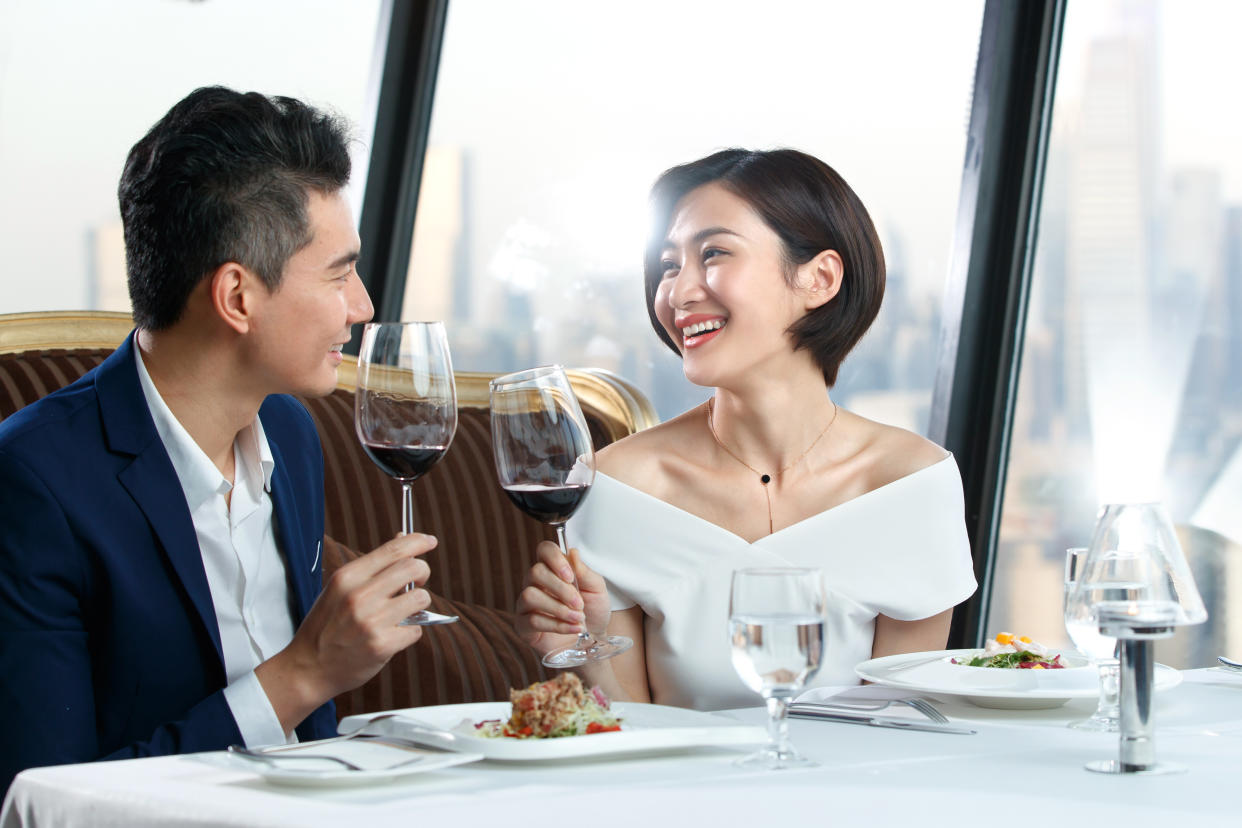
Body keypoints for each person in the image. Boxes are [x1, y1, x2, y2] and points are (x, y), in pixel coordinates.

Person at [0, 87, 435, 791]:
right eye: (339, 273)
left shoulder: (290, 432)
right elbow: (39, 800)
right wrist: (305, 673)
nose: (363, 307)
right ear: (237, 297)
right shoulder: (33, 483)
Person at [516, 148, 976, 710]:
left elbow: (900, 721)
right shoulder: (616, 485)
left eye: (713, 253)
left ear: (820, 279)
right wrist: (580, 650)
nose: (679, 292)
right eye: (668, 265)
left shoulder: (911, 485)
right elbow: (631, 730)